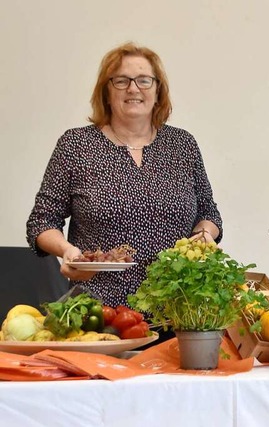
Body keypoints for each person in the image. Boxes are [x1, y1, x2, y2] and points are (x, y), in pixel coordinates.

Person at [26, 42, 223, 311]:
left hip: (179, 309)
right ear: (106, 92)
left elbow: (209, 213)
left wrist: (204, 235)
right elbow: (41, 222)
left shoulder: (183, 145)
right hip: (100, 312)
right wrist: (67, 251)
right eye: (121, 81)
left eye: (144, 80)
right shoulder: (76, 145)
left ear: (157, 91)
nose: (133, 88)